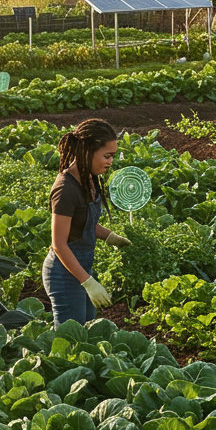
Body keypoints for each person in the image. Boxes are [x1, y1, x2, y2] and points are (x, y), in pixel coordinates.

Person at [43, 118, 131, 325]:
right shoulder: (66, 189)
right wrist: (88, 282)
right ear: (86, 151)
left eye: (112, 156)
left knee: (87, 331)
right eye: (106, 156)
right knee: (70, 339)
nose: (110, 162)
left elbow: (85, 223)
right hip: (63, 274)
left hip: (82, 268)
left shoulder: (90, 179)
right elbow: (59, 244)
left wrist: (111, 237)